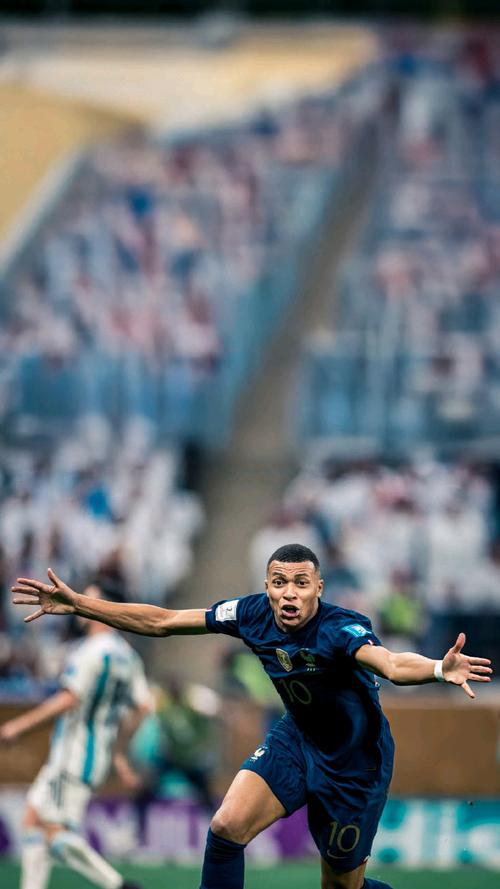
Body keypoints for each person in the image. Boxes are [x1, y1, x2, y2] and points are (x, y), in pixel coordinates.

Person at [11, 543, 493, 889]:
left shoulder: (341, 628)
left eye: (301, 584)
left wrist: (438, 668)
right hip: (296, 739)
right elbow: (163, 621)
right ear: (267, 587)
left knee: (341, 886)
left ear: (318, 589)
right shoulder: (250, 614)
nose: (289, 594)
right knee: (226, 827)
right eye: (279, 583)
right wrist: (81, 605)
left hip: (355, 763)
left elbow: (389, 663)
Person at [1, 578, 152, 889]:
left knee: (57, 834)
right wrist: (119, 753)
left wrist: (18, 726)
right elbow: (143, 707)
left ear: (104, 607)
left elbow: (69, 699)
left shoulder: (91, 651)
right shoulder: (128, 656)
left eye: (90, 599)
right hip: (94, 754)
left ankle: (118, 885)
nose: (81, 604)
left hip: (73, 753)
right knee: (33, 819)